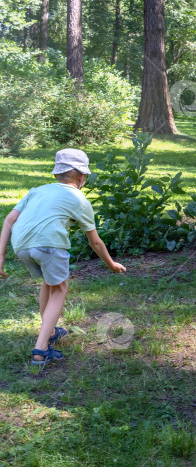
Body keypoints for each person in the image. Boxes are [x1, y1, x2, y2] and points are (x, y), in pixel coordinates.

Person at [0, 149, 126, 366]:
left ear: (57, 174)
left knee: (49, 283)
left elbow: (9, 220)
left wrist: (1, 255)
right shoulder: (79, 198)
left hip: (21, 246)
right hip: (49, 245)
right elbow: (95, 242)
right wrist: (111, 264)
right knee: (60, 288)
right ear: (82, 177)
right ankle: (40, 351)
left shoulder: (37, 191)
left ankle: (48, 333)